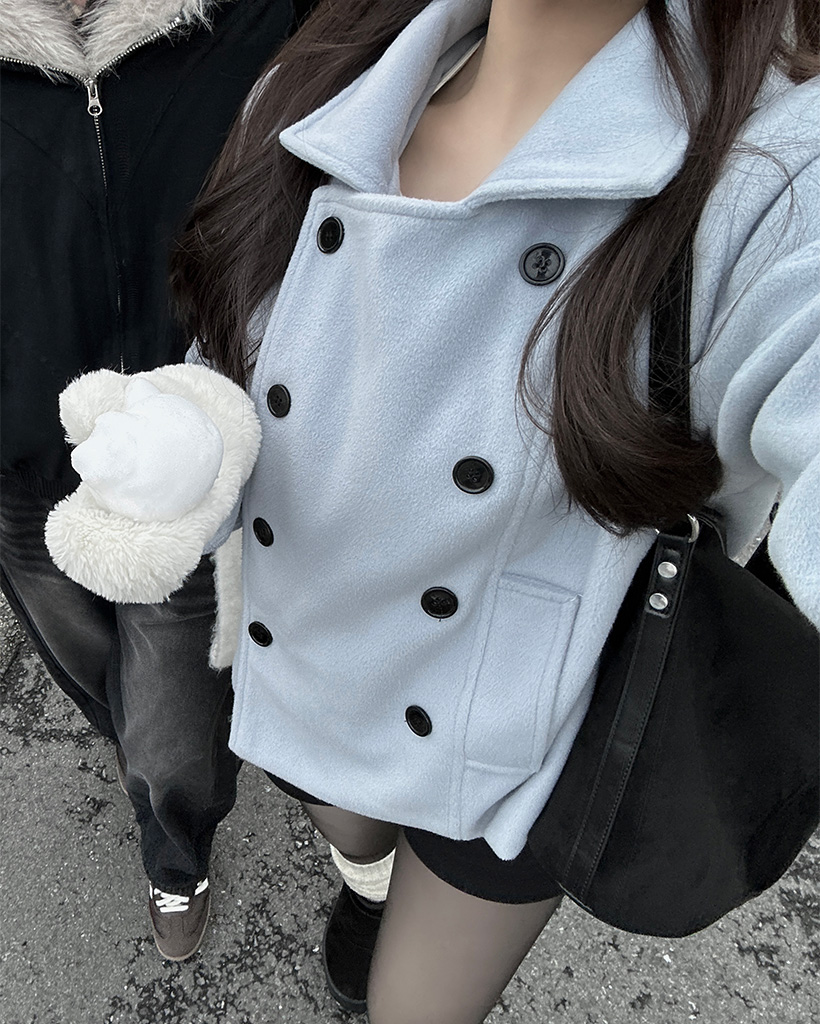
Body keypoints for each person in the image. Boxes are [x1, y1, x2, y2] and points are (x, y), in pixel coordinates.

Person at [70, 0, 820, 1017]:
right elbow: (235, 353)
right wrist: (181, 451)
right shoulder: (326, 76)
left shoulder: (771, 170)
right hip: (322, 662)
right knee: (354, 835)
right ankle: (368, 880)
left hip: (525, 730)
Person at [0, 0, 316, 961]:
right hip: (18, 465)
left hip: (183, 462)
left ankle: (175, 848)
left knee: (173, 707)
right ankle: (151, 749)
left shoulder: (267, 17)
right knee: (93, 667)